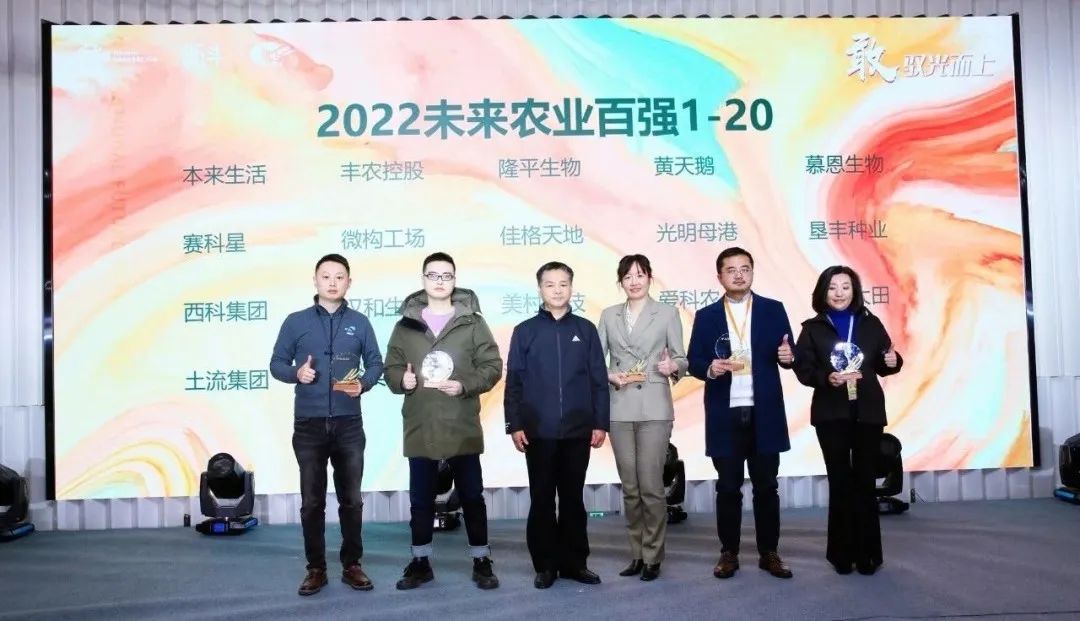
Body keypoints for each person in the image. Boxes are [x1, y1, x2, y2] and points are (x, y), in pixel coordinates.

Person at [383, 252, 504, 590]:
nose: (439, 281)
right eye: (433, 275)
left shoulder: (473, 323)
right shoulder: (405, 326)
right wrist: (402, 380)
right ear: (423, 279)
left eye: (446, 275)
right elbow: (391, 367)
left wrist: (465, 385)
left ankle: (482, 561)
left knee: (472, 497)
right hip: (421, 424)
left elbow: (492, 366)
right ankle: (420, 562)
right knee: (420, 501)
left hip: (461, 422)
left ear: (454, 280)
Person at [269, 253, 384, 596]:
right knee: (312, 502)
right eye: (326, 276)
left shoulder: (360, 322)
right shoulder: (296, 322)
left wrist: (364, 383)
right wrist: (296, 373)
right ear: (315, 281)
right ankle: (316, 568)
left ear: (349, 282)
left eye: (339, 277)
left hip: (349, 424)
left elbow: (376, 364)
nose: (332, 282)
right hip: (309, 424)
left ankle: (352, 565)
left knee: (352, 500)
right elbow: (276, 364)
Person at [686, 247, 796, 580]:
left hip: (764, 413)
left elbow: (789, 353)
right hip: (725, 413)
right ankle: (729, 553)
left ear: (752, 272)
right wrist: (710, 368)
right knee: (728, 488)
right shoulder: (706, 316)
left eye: (744, 269)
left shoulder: (773, 309)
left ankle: (769, 553)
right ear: (719, 276)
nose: (738, 275)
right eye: (731, 270)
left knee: (767, 487)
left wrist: (789, 356)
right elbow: (694, 361)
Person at [504, 261, 610, 589]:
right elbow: (514, 382)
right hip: (538, 430)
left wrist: (600, 422)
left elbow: (598, 380)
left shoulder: (585, 329)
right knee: (542, 499)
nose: (557, 290)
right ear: (540, 289)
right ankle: (545, 565)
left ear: (571, 288)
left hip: (578, 429)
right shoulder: (525, 331)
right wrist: (514, 424)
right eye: (550, 284)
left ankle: (575, 563)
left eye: (563, 284)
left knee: (573, 499)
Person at [793, 265, 902, 576]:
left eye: (845, 287)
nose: (839, 293)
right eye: (832, 287)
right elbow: (803, 369)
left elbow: (885, 361)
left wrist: (893, 361)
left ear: (854, 291)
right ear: (822, 292)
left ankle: (868, 555)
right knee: (840, 481)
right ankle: (841, 554)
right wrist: (826, 378)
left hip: (868, 411)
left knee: (865, 482)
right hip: (831, 413)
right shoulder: (813, 328)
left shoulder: (870, 322)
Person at [597, 254, 687, 582]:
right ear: (620, 281)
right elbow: (596, 360)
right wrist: (610, 376)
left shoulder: (667, 313)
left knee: (651, 486)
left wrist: (672, 366)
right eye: (628, 276)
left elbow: (681, 358)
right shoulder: (608, 315)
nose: (634, 281)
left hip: (654, 407)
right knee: (631, 487)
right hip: (619, 407)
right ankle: (636, 553)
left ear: (650, 277)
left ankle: (653, 555)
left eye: (640, 275)